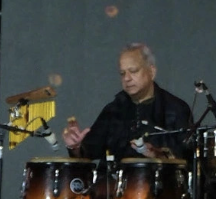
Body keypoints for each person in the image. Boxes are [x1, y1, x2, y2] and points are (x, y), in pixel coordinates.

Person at [63, 44, 192, 161]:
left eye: (133, 71)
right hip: (115, 185)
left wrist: (158, 155)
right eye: (122, 73)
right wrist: (75, 147)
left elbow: (188, 160)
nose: (127, 78)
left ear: (151, 72)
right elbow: (87, 155)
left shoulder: (175, 109)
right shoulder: (113, 110)